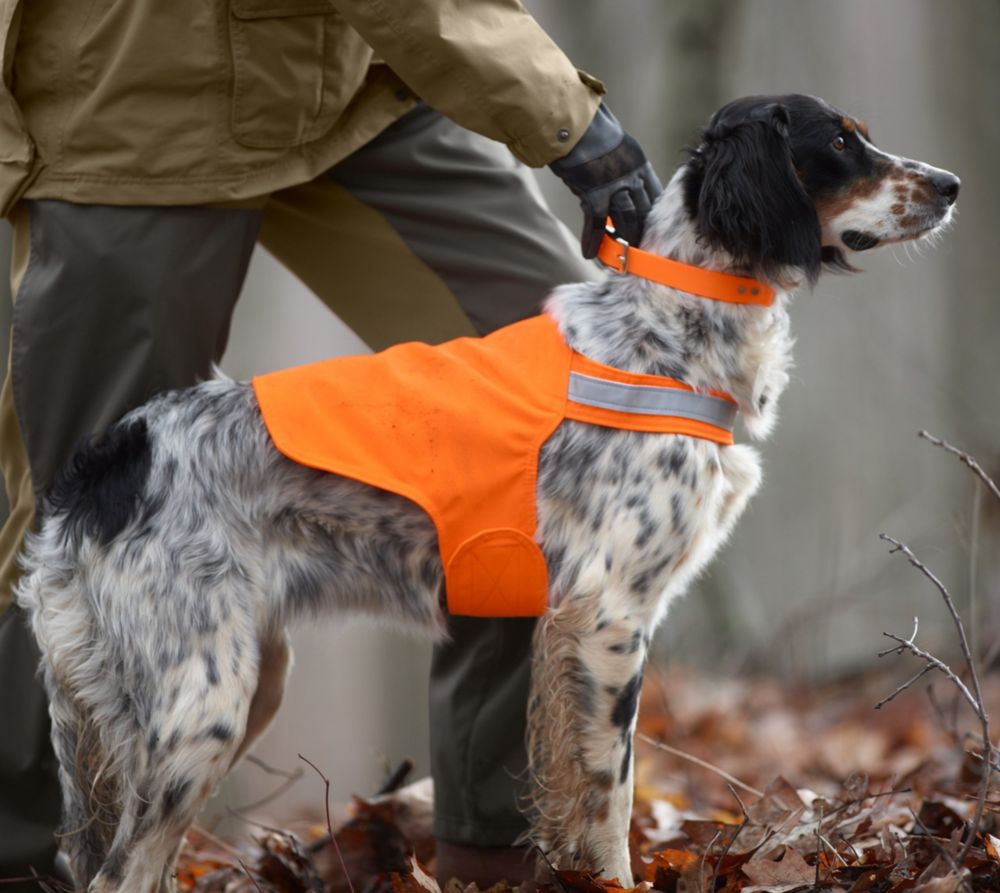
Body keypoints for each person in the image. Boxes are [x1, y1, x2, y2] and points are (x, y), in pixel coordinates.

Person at [0, 2, 661, 888]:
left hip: (356, 91)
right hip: (133, 103)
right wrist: (572, 123)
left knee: (552, 433)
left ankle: (502, 854)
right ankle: (25, 858)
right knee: (79, 521)